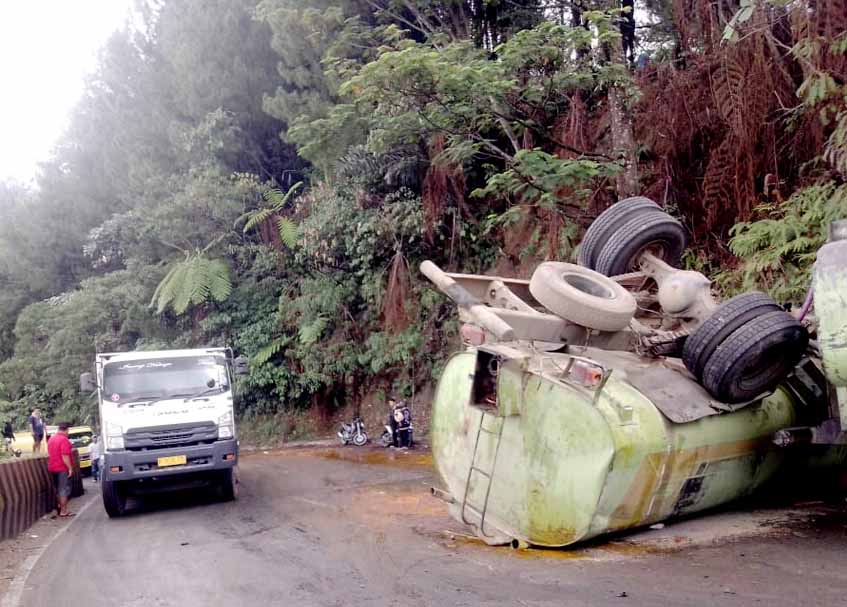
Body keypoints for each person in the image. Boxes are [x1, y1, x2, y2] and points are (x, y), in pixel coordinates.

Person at [46, 422, 75, 517]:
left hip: (52, 467)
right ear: (66, 430)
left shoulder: (51, 439)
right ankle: (63, 511)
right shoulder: (64, 440)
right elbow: (65, 455)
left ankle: (60, 507)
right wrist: (70, 468)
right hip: (62, 468)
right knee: (63, 490)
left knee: (58, 489)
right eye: (68, 431)